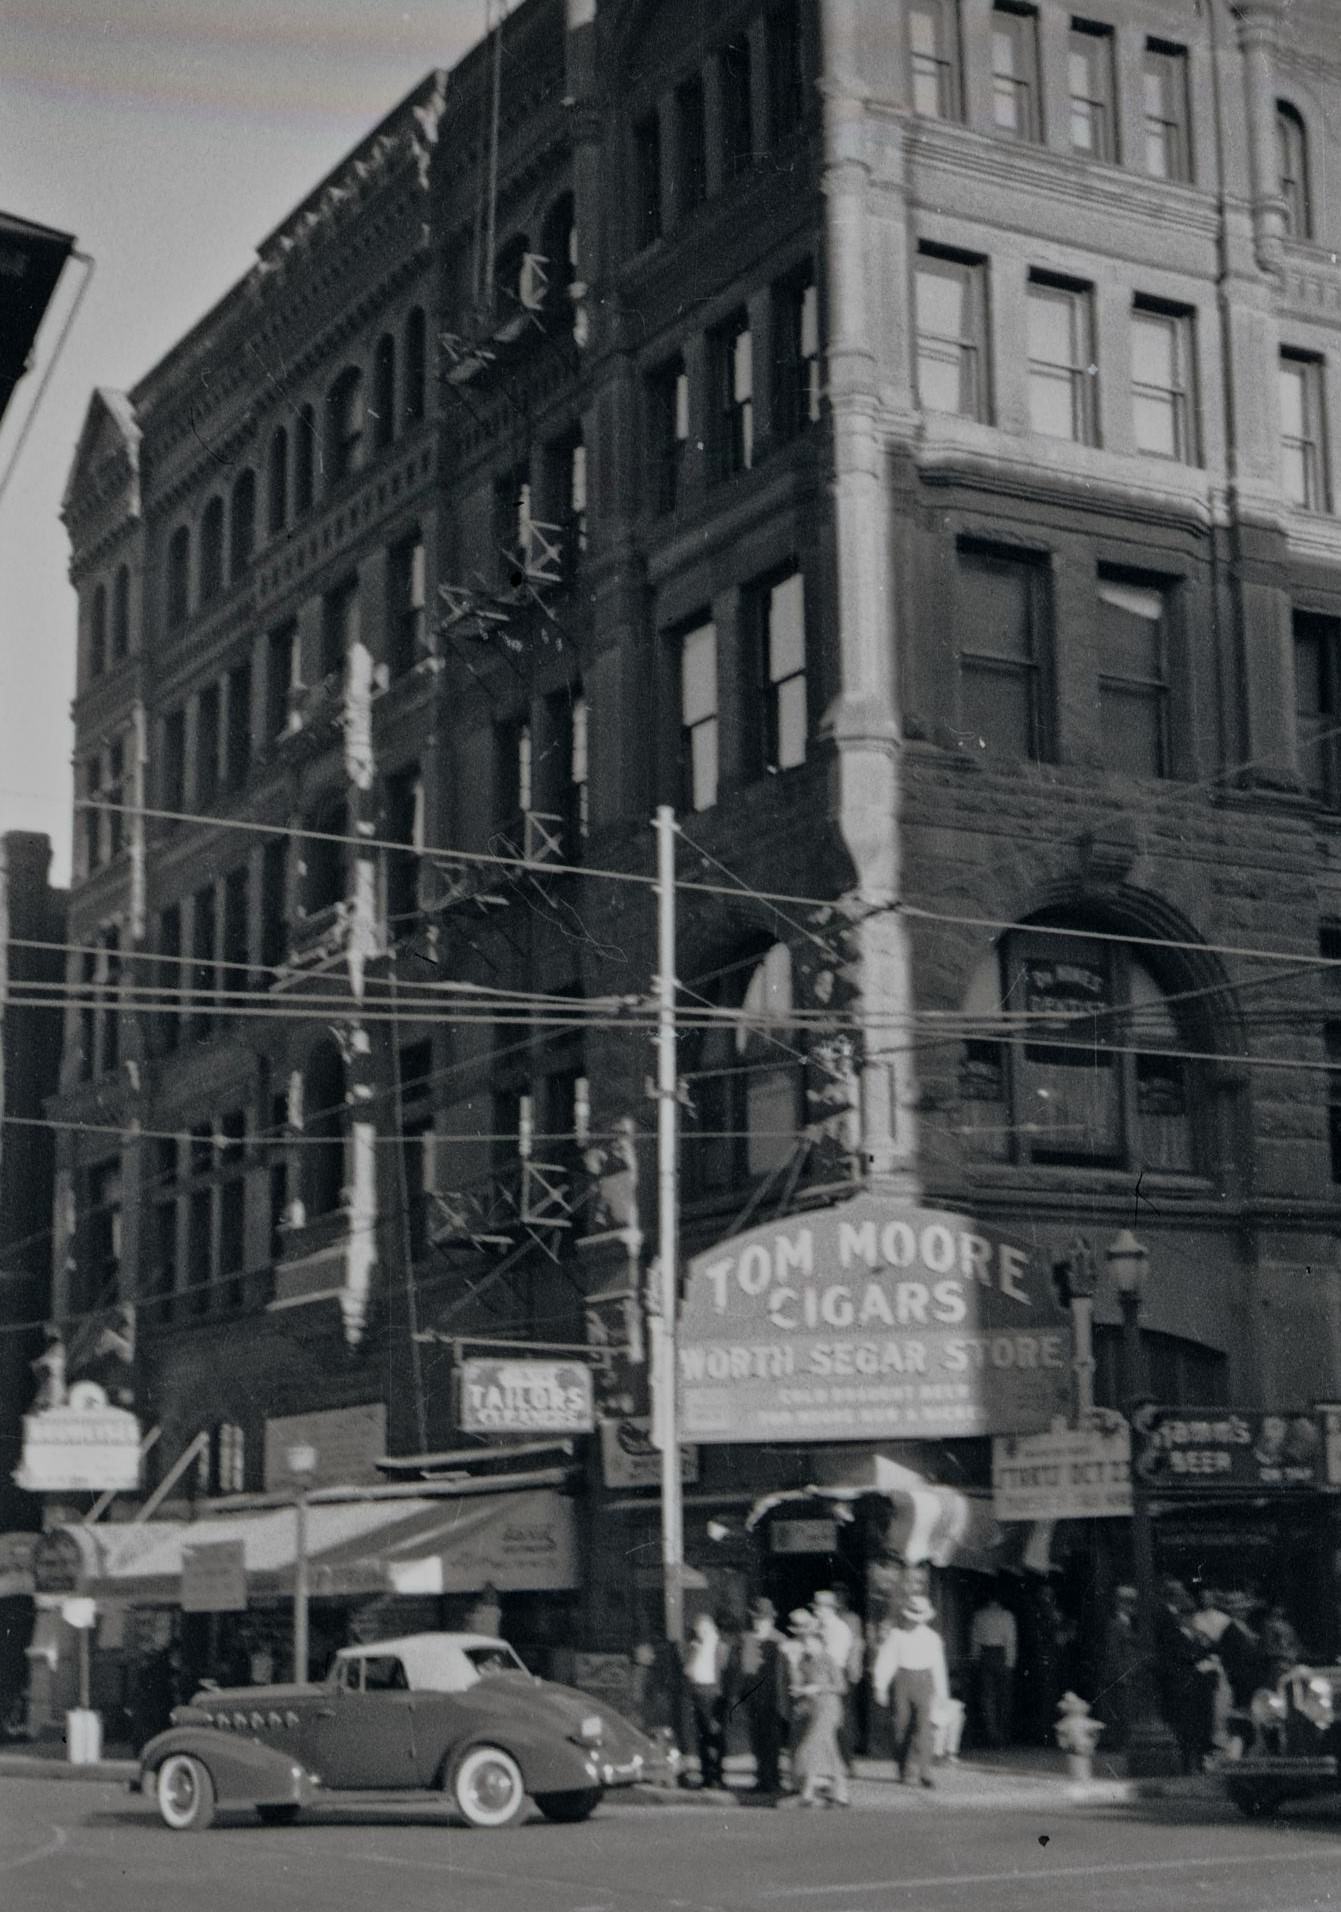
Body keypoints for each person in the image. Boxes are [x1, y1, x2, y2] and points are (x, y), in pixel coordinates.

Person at [873, 1595, 950, 1788]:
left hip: (925, 1681)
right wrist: (880, 1686)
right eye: (913, 1615)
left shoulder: (932, 1638)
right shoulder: (897, 1635)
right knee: (901, 1725)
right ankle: (904, 1768)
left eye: (920, 1616)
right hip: (903, 1681)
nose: (915, 1620)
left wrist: (942, 1693)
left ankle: (925, 1771)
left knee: (924, 1728)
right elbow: (886, 1661)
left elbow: (938, 1666)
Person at [726, 1598, 790, 1796]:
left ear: (770, 1620)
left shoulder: (780, 1640)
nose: (758, 1622)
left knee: (772, 1740)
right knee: (757, 1740)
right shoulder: (747, 1639)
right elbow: (744, 1670)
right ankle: (762, 1778)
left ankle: (773, 1779)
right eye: (755, 1618)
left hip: (774, 1697)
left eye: (762, 1619)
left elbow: (786, 1673)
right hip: (753, 1698)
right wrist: (738, 1695)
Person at [1154, 1578, 1218, 1772]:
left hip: (1199, 1689)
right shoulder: (1176, 1636)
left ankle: (1199, 1763)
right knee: (1186, 1730)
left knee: (1200, 1729)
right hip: (1184, 1688)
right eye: (1187, 1615)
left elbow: (1204, 1654)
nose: (1191, 1619)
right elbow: (1182, 1656)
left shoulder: (1195, 1636)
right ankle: (1187, 1766)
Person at [786, 1610, 849, 1807]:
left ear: (821, 1643)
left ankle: (808, 1789)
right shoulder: (804, 1661)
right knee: (827, 1750)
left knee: (811, 1746)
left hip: (829, 1709)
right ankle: (840, 1791)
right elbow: (798, 1683)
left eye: (812, 1643)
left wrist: (819, 1688)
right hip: (812, 1709)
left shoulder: (829, 1660)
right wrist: (796, 1675)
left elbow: (841, 1686)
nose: (808, 1647)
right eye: (806, 1644)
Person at [679, 1611, 728, 1789]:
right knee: (702, 1738)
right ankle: (706, 1776)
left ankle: (719, 1776)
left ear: (712, 1628)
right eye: (698, 1630)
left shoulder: (720, 1647)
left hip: (715, 1695)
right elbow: (687, 1671)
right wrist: (695, 1652)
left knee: (716, 1736)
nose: (701, 1633)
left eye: (705, 1629)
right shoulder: (693, 1648)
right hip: (698, 1694)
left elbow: (725, 1673)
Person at [813, 1588, 861, 1770]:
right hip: (820, 1674)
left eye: (819, 1607)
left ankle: (845, 1762)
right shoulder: (817, 1626)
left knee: (839, 1719)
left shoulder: (839, 1628)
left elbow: (834, 1656)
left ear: (829, 1608)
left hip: (836, 1674)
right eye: (816, 1607)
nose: (816, 1611)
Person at [969, 1584, 1017, 1748]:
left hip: (985, 1655)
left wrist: (975, 1659)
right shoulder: (1007, 1615)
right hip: (1001, 1654)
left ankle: (992, 1735)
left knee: (987, 1698)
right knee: (1004, 1697)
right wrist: (1010, 1661)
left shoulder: (979, 1615)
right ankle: (1003, 1735)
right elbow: (1010, 1641)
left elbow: (975, 1640)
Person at [1094, 1584, 1141, 1753]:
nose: (1131, 1607)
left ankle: (1121, 1742)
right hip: (1119, 1675)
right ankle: (1117, 1743)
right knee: (1120, 1710)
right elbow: (1113, 1652)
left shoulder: (1127, 1624)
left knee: (1125, 1710)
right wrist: (1122, 1674)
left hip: (1127, 1673)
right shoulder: (1115, 1624)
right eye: (1129, 1604)